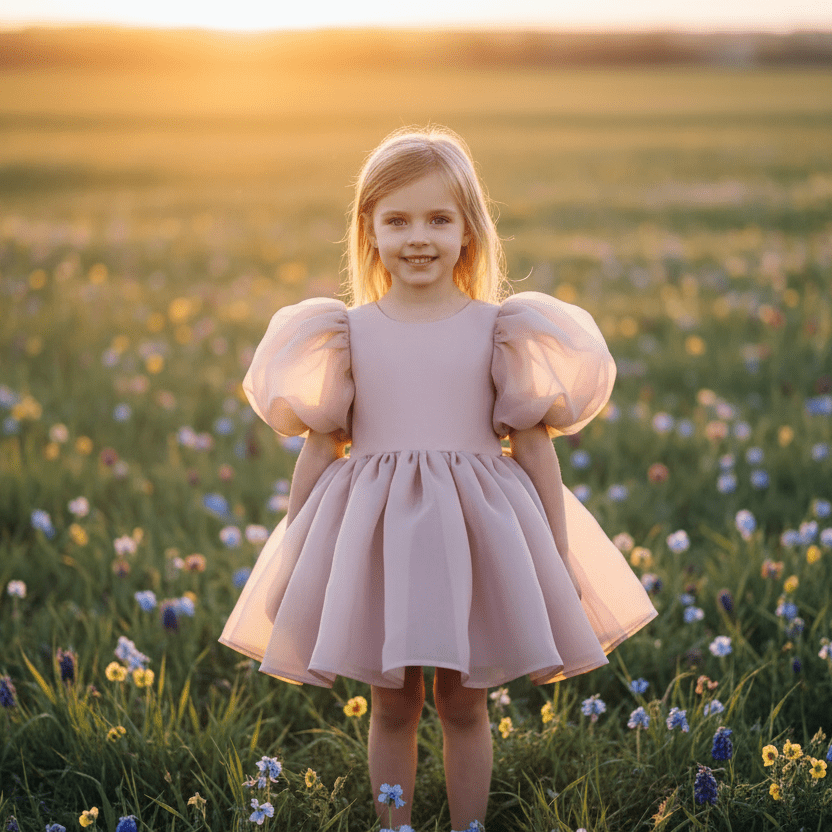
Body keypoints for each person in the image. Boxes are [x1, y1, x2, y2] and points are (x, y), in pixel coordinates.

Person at [219, 125, 658, 832]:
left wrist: (555, 550)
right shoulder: (343, 332)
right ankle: (394, 827)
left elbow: (536, 449)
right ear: (368, 230)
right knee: (392, 703)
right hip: (378, 538)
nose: (417, 237)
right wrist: (295, 553)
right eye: (397, 220)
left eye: (437, 219)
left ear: (468, 232)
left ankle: (468, 826)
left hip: (473, 538)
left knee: (464, 702)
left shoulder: (502, 329)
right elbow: (320, 450)